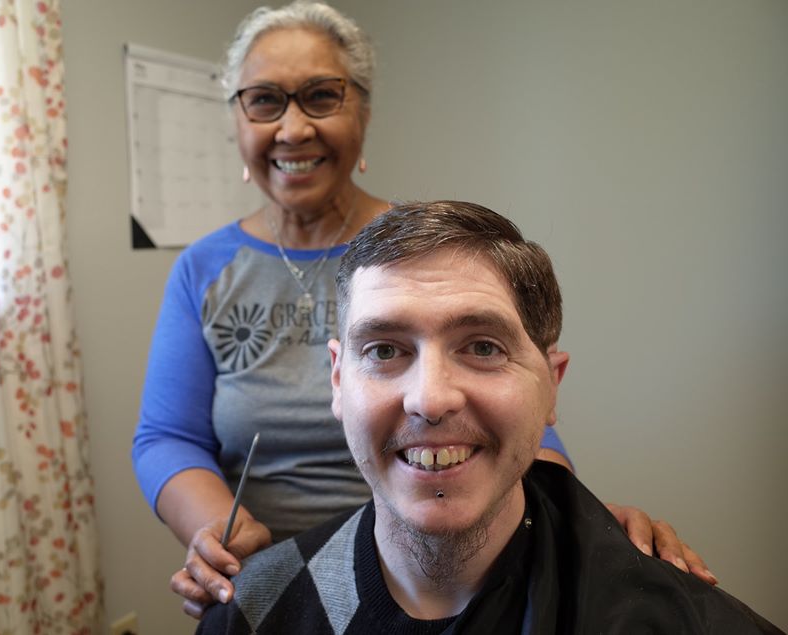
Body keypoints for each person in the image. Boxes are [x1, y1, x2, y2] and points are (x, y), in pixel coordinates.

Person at [132, 1, 711, 618]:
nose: (293, 128)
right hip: (276, 577)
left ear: (363, 111)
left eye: (321, 97)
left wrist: (577, 524)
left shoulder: (423, 257)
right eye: (265, 100)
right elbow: (168, 435)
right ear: (236, 121)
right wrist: (223, 532)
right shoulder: (204, 269)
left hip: (435, 565)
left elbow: (510, 403)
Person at [196, 200, 783, 634]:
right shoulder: (251, 612)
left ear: (550, 386)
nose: (430, 398)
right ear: (338, 380)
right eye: (383, 350)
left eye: (482, 347)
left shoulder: (678, 621)